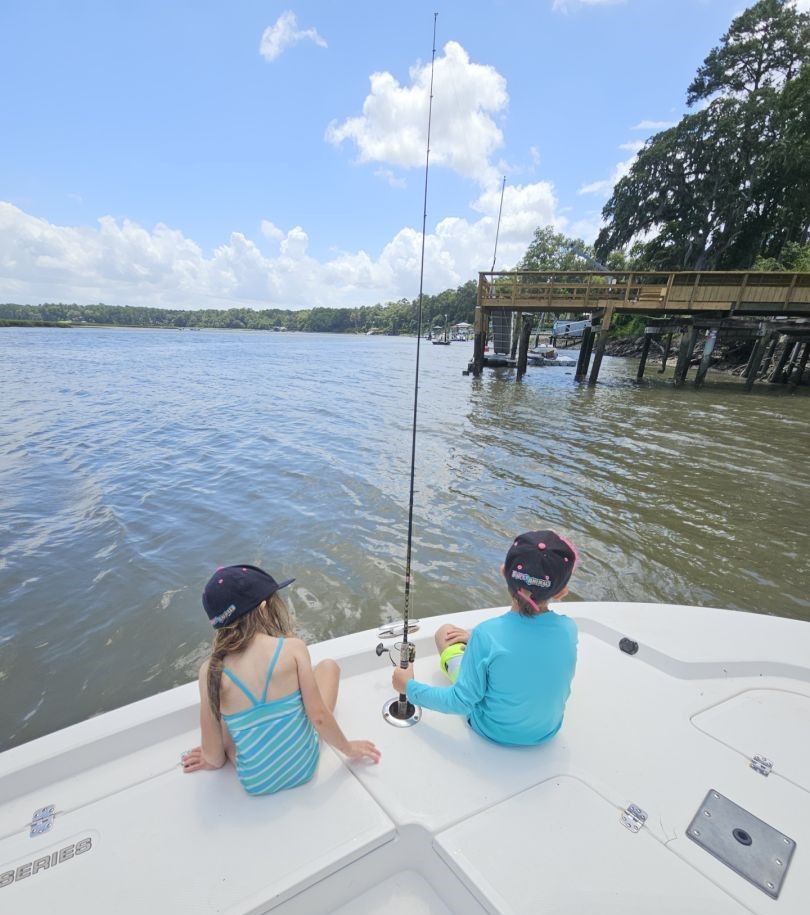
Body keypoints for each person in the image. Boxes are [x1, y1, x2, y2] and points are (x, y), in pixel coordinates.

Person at [182, 564, 380, 794]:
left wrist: (209, 756)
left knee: (228, 721)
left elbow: (215, 759)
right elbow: (319, 718)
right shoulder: (292, 649)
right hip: (304, 767)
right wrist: (348, 748)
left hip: (255, 782)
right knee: (328, 667)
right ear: (264, 608)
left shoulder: (210, 671)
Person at [392, 530, 578, 746]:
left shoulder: (486, 634)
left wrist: (408, 687)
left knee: (445, 633)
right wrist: (477, 642)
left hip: (490, 730)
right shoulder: (569, 628)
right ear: (562, 592)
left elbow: (459, 702)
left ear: (503, 572)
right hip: (546, 732)